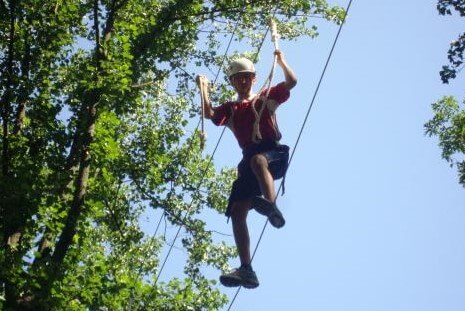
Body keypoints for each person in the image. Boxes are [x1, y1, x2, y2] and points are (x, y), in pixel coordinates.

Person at [196, 50, 297, 289]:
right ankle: (246, 269)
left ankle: (270, 205)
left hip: (272, 153)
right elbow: (209, 113)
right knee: (237, 209)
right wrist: (204, 89)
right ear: (232, 83)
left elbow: (292, 82)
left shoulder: (264, 98)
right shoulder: (231, 109)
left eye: (245, 77)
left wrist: (281, 60)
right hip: (249, 159)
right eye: (237, 78)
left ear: (253, 78)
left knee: (258, 162)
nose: (241, 81)